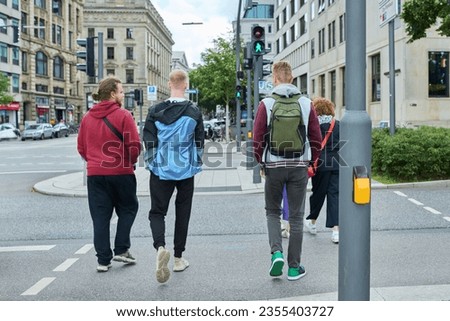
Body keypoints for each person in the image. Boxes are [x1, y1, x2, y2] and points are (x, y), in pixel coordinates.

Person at [253, 61, 322, 281]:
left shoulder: (266, 103)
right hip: (299, 165)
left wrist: (261, 163)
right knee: (297, 216)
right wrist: (312, 161)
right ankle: (294, 267)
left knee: (272, 211)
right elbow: (316, 137)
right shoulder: (305, 103)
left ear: (274, 78)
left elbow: (257, 138)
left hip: (273, 165)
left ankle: (276, 253)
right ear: (292, 78)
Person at [143, 69, 204, 284]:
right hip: (185, 169)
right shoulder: (194, 111)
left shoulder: (155, 110)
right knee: (183, 212)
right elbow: (199, 142)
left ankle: (160, 247)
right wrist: (196, 163)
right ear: (186, 85)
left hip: (161, 168)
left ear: (169, 84)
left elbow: (149, 141)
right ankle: (178, 258)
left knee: (157, 212)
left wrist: (152, 163)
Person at [77, 76, 141, 272]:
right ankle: (121, 249)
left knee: (100, 216)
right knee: (129, 208)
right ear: (113, 94)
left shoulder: (87, 117)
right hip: (121, 172)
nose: (123, 95)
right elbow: (134, 145)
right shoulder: (123, 115)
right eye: (121, 91)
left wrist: (95, 162)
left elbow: (81, 147)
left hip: (95, 175)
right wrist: (130, 161)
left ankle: (103, 260)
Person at [306, 97, 341, 243]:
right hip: (338, 164)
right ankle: (336, 230)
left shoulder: (313, 127)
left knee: (318, 194)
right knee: (334, 195)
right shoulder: (339, 125)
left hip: (319, 166)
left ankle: (312, 221)